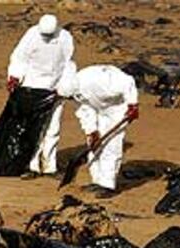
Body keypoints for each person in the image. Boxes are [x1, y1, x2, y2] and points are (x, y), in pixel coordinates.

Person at [7, 14, 74, 179]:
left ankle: (50, 166)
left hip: (54, 89)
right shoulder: (31, 35)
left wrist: (64, 88)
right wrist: (15, 76)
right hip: (32, 86)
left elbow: (68, 64)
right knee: (32, 128)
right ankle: (32, 165)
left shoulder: (65, 38)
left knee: (52, 128)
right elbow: (19, 57)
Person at [59, 64, 139, 198]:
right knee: (94, 146)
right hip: (99, 108)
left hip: (118, 108)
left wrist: (133, 105)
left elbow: (128, 82)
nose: (71, 100)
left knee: (111, 145)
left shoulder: (99, 81)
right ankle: (97, 181)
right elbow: (85, 110)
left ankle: (108, 185)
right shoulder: (76, 92)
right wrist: (91, 131)